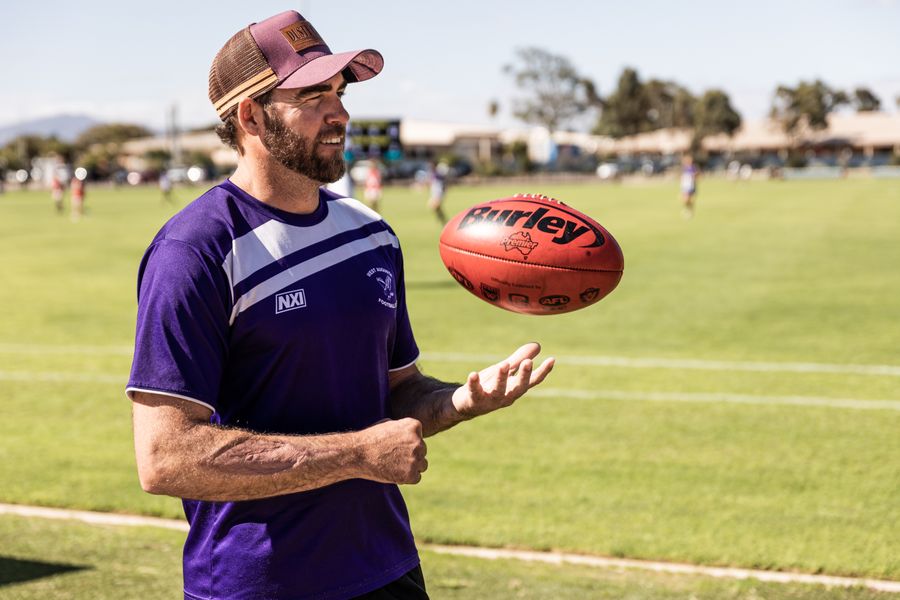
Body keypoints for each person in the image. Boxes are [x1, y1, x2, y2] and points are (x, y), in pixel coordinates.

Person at [126, 10, 554, 600]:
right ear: (250, 114)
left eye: (339, 91)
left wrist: (458, 402)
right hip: (260, 585)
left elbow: (398, 393)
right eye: (312, 95)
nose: (340, 112)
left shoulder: (372, 233)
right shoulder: (194, 250)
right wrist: (356, 453)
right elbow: (165, 457)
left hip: (387, 566)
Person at [680, 154, 699, 219]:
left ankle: (690, 210)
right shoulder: (684, 168)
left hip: (691, 186)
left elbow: (697, 175)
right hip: (685, 186)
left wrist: (694, 176)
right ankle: (688, 209)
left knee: (689, 199)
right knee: (685, 199)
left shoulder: (693, 168)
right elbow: (682, 177)